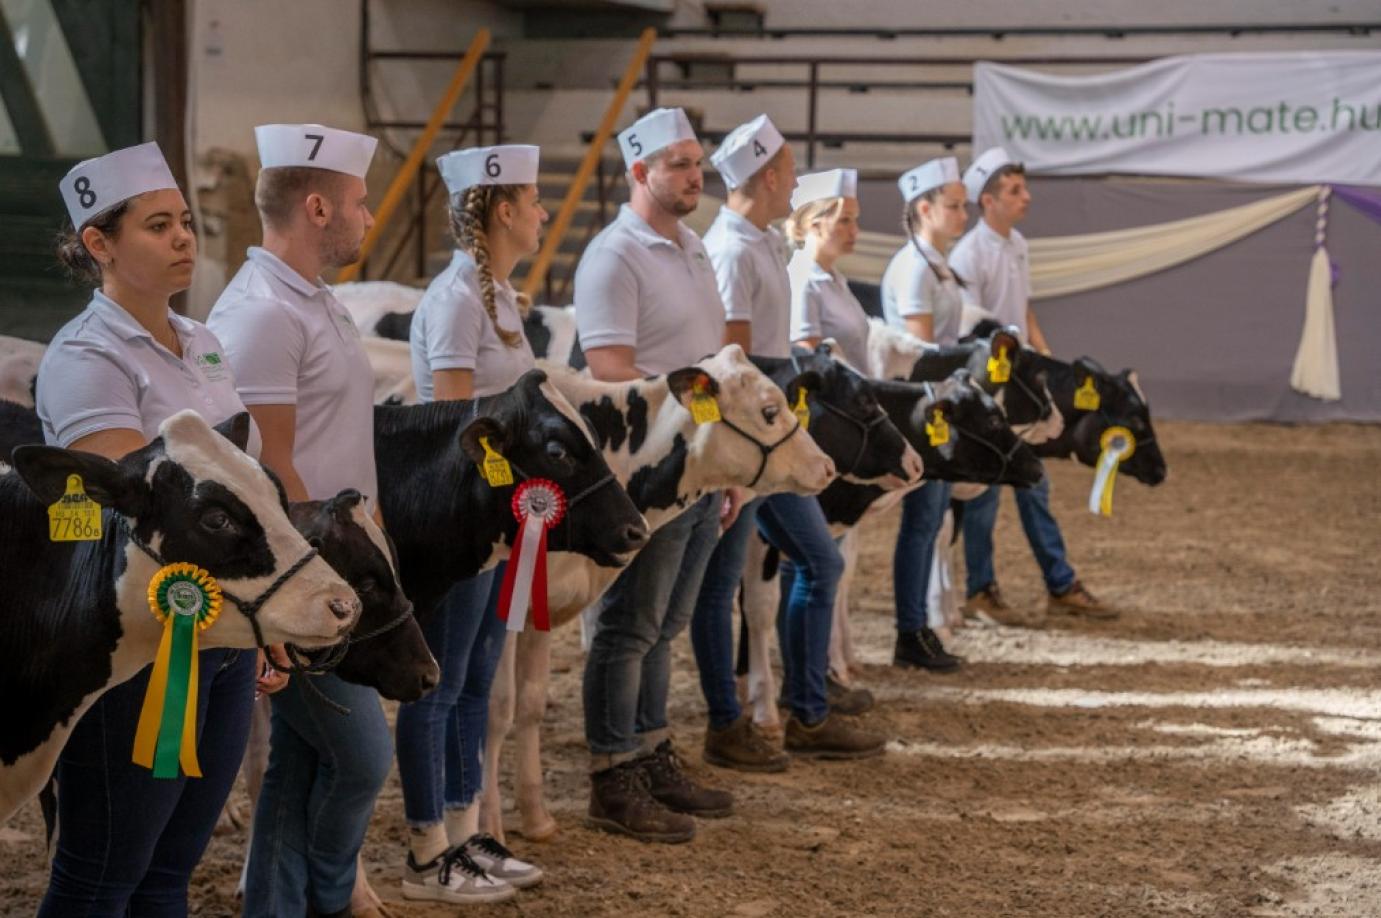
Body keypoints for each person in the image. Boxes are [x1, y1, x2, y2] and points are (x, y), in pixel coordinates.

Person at [35, 142, 284, 916]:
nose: (183, 238)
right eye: (157, 225)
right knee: (102, 874)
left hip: (218, 628)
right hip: (137, 646)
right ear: (99, 244)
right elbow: (132, 514)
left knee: (171, 867)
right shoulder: (86, 356)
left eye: (184, 221)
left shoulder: (201, 341)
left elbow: (239, 482)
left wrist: (260, 612)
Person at [207, 123, 391, 918]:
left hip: (336, 562)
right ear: (317, 209)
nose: (370, 216)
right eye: (359, 202)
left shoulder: (312, 300)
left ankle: (277, 902)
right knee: (361, 756)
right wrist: (316, 582)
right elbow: (268, 467)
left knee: (301, 758)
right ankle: (329, 894)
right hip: (303, 574)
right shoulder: (262, 315)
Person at [694, 119, 883, 771]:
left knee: (814, 562)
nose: (798, 182)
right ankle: (730, 721)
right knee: (723, 586)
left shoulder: (760, 242)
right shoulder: (733, 249)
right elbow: (735, 363)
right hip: (752, 434)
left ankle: (805, 706)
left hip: (771, 428)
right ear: (769, 176)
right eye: (792, 171)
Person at [574, 107, 734, 844]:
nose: (696, 176)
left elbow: (706, 362)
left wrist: (718, 451)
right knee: (630, 624)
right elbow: (610, 370)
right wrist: (697, 434)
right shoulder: (614, 256)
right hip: (648, 470)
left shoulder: (693, 246)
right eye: (679, 164)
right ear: (639, 171)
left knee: (665, 624)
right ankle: (613, 775)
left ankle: (650, 750)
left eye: (698, 163)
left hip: (695, 462)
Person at [396, 144, 548, 904]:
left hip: (500, 519)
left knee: (477, 679)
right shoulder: (456, 298)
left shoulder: (500, 298)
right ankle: (427, 849)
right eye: (534, 200)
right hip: (460, 520)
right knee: (441, 684)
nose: (543, 213)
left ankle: (465, 833)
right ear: (503, 211)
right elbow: (455, 426)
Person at [948, 147, 1114, 624]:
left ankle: (1057, 582)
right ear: (988, 200)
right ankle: (985, 588)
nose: (1027, 197)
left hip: (1022, 388)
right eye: (1015, 190)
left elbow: (1023, 309)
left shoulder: (1017, 244)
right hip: (991, 391)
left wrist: (1045, 358)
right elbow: (970, 328)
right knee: (987, 492)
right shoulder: (968, 255)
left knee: (1032, 484)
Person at [879, 156, 969, 671]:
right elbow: (923, 353)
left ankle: (919, 624)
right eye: (953, 206)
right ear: (925, 209)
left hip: (939, 401)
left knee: (932, 520)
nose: (963, 216)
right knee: (923, 520)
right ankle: (910, 628)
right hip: (923, 405)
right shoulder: (916, 267)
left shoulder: (934, 262)